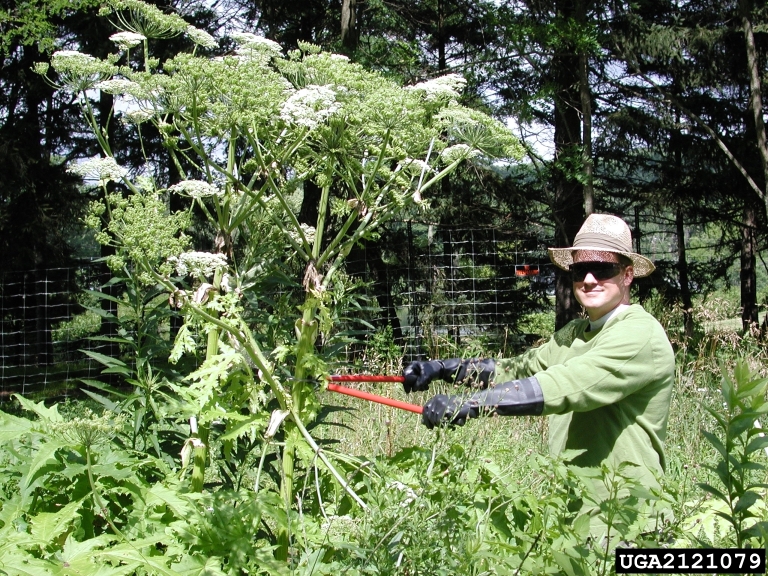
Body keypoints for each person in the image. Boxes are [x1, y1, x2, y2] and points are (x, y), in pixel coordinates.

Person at [402, 213, 675, 495]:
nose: (590, 280)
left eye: (603, 268)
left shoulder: (640, 335)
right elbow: (515, 369)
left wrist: (469, 404)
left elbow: (570, 384)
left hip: (625, 517)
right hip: (570, 511)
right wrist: (443, 369)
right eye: (581, 271)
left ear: (627, 274)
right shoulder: (573, 333)